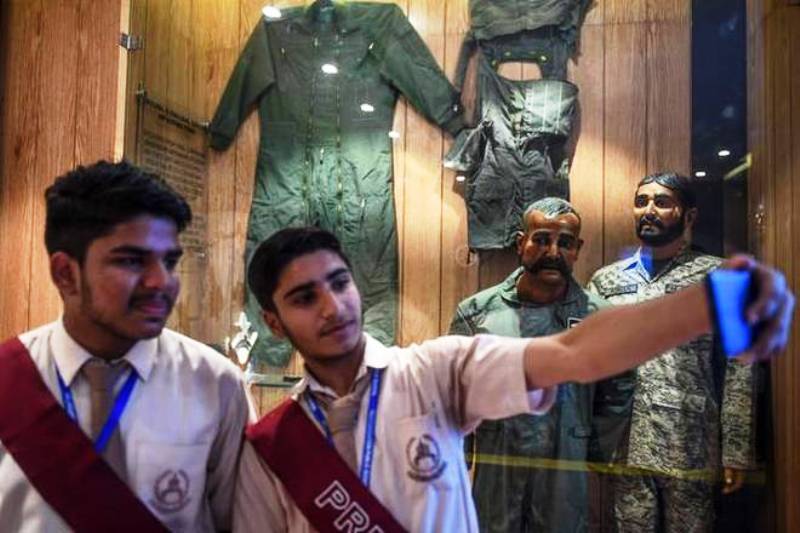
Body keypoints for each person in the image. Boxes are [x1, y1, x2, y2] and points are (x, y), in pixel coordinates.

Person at [234, 226, 792, 533]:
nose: (333, 306)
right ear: (275, 322)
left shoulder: (432, 371)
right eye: (305, 298)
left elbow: (574, 352)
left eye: (339, 283)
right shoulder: (271, 445)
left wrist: (711, 303)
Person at [0, 161, 253, 532]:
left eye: (170, 261)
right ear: (65, 273)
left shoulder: (217, 385)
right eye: (131, 261)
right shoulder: (8, 381)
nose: (160, 282)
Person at [586, 172, 757, 532]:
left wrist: (737, 450)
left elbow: (740, 367)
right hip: (625, 444)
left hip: (690, 442)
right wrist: (591, 439)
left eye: (661, 202)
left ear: (689, 216)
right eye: (641, 202)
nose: (648, 210)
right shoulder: (606, 281)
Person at [450, 198, 611, 532]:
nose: (553, 251)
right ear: (520, 242)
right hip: (499, 460)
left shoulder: (600, 318)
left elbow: (618, 386)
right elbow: (456, 391)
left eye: (565, 242)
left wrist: (592, 445)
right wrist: (458, 456)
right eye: (541, 239)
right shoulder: (477, 313)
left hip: (565, 462)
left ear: (577, 249)